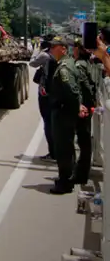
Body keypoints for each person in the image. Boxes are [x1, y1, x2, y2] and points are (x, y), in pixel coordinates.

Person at [47, 36, 88, 194]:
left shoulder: (64, 67)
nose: (51, 49)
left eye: (54, 46)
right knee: (66, 147)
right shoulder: (67, 63)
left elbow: (71, 90)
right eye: (51, 46)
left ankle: (65, 181)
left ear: (63, 49)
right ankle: (66, 178)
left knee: (63, 148)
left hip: (63, 113)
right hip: (65, 112)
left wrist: (77, 106)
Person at [69, 38, 97, 187]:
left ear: (78, 49)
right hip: (88, 105)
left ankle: (80, 174)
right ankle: (81, 172)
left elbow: (83, 87)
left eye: (74, 47)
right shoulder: (88, 62)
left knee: (83, 140)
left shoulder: (79, 65)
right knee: (84, 140)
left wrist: (82, 104)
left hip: (83, 107)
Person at [30, 37, 55, 160]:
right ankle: (56, 151)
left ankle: (53, 152)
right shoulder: (59, 56)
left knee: (47, 122)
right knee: (53, 122)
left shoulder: (44, 55)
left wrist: (36, 50)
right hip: (54, 92)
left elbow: (32, 63)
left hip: (45, 93)